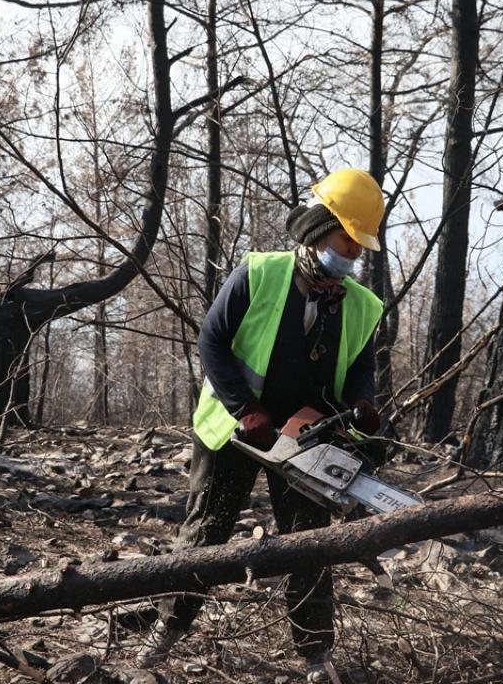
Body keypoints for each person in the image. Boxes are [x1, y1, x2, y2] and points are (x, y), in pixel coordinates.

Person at [136, 168, 386, 683]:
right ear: (321, 229)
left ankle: (315, 653)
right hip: (235, 427)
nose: (353, 254)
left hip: (307, 436)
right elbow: (211, 341)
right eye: (348, 241)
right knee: (208, 530)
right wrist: (245, 409)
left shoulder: (361, 305)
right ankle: (167, 629)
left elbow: (362, 365)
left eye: (360, 247)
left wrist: (362, 402)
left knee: (309, 541)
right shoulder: (259, 273)